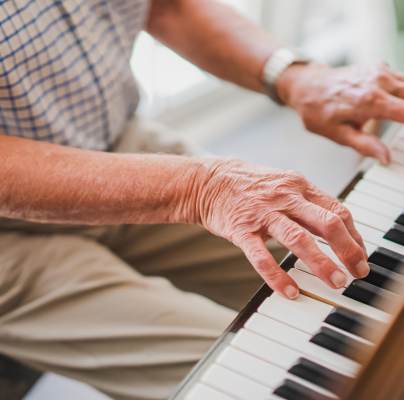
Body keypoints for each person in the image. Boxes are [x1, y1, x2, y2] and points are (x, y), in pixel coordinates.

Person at [0, 1, 403, 399]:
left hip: (114, 145)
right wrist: (200, 188)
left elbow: (165, 7)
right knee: (261, 378)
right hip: (8, 236)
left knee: (364, 274)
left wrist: (295, 77)